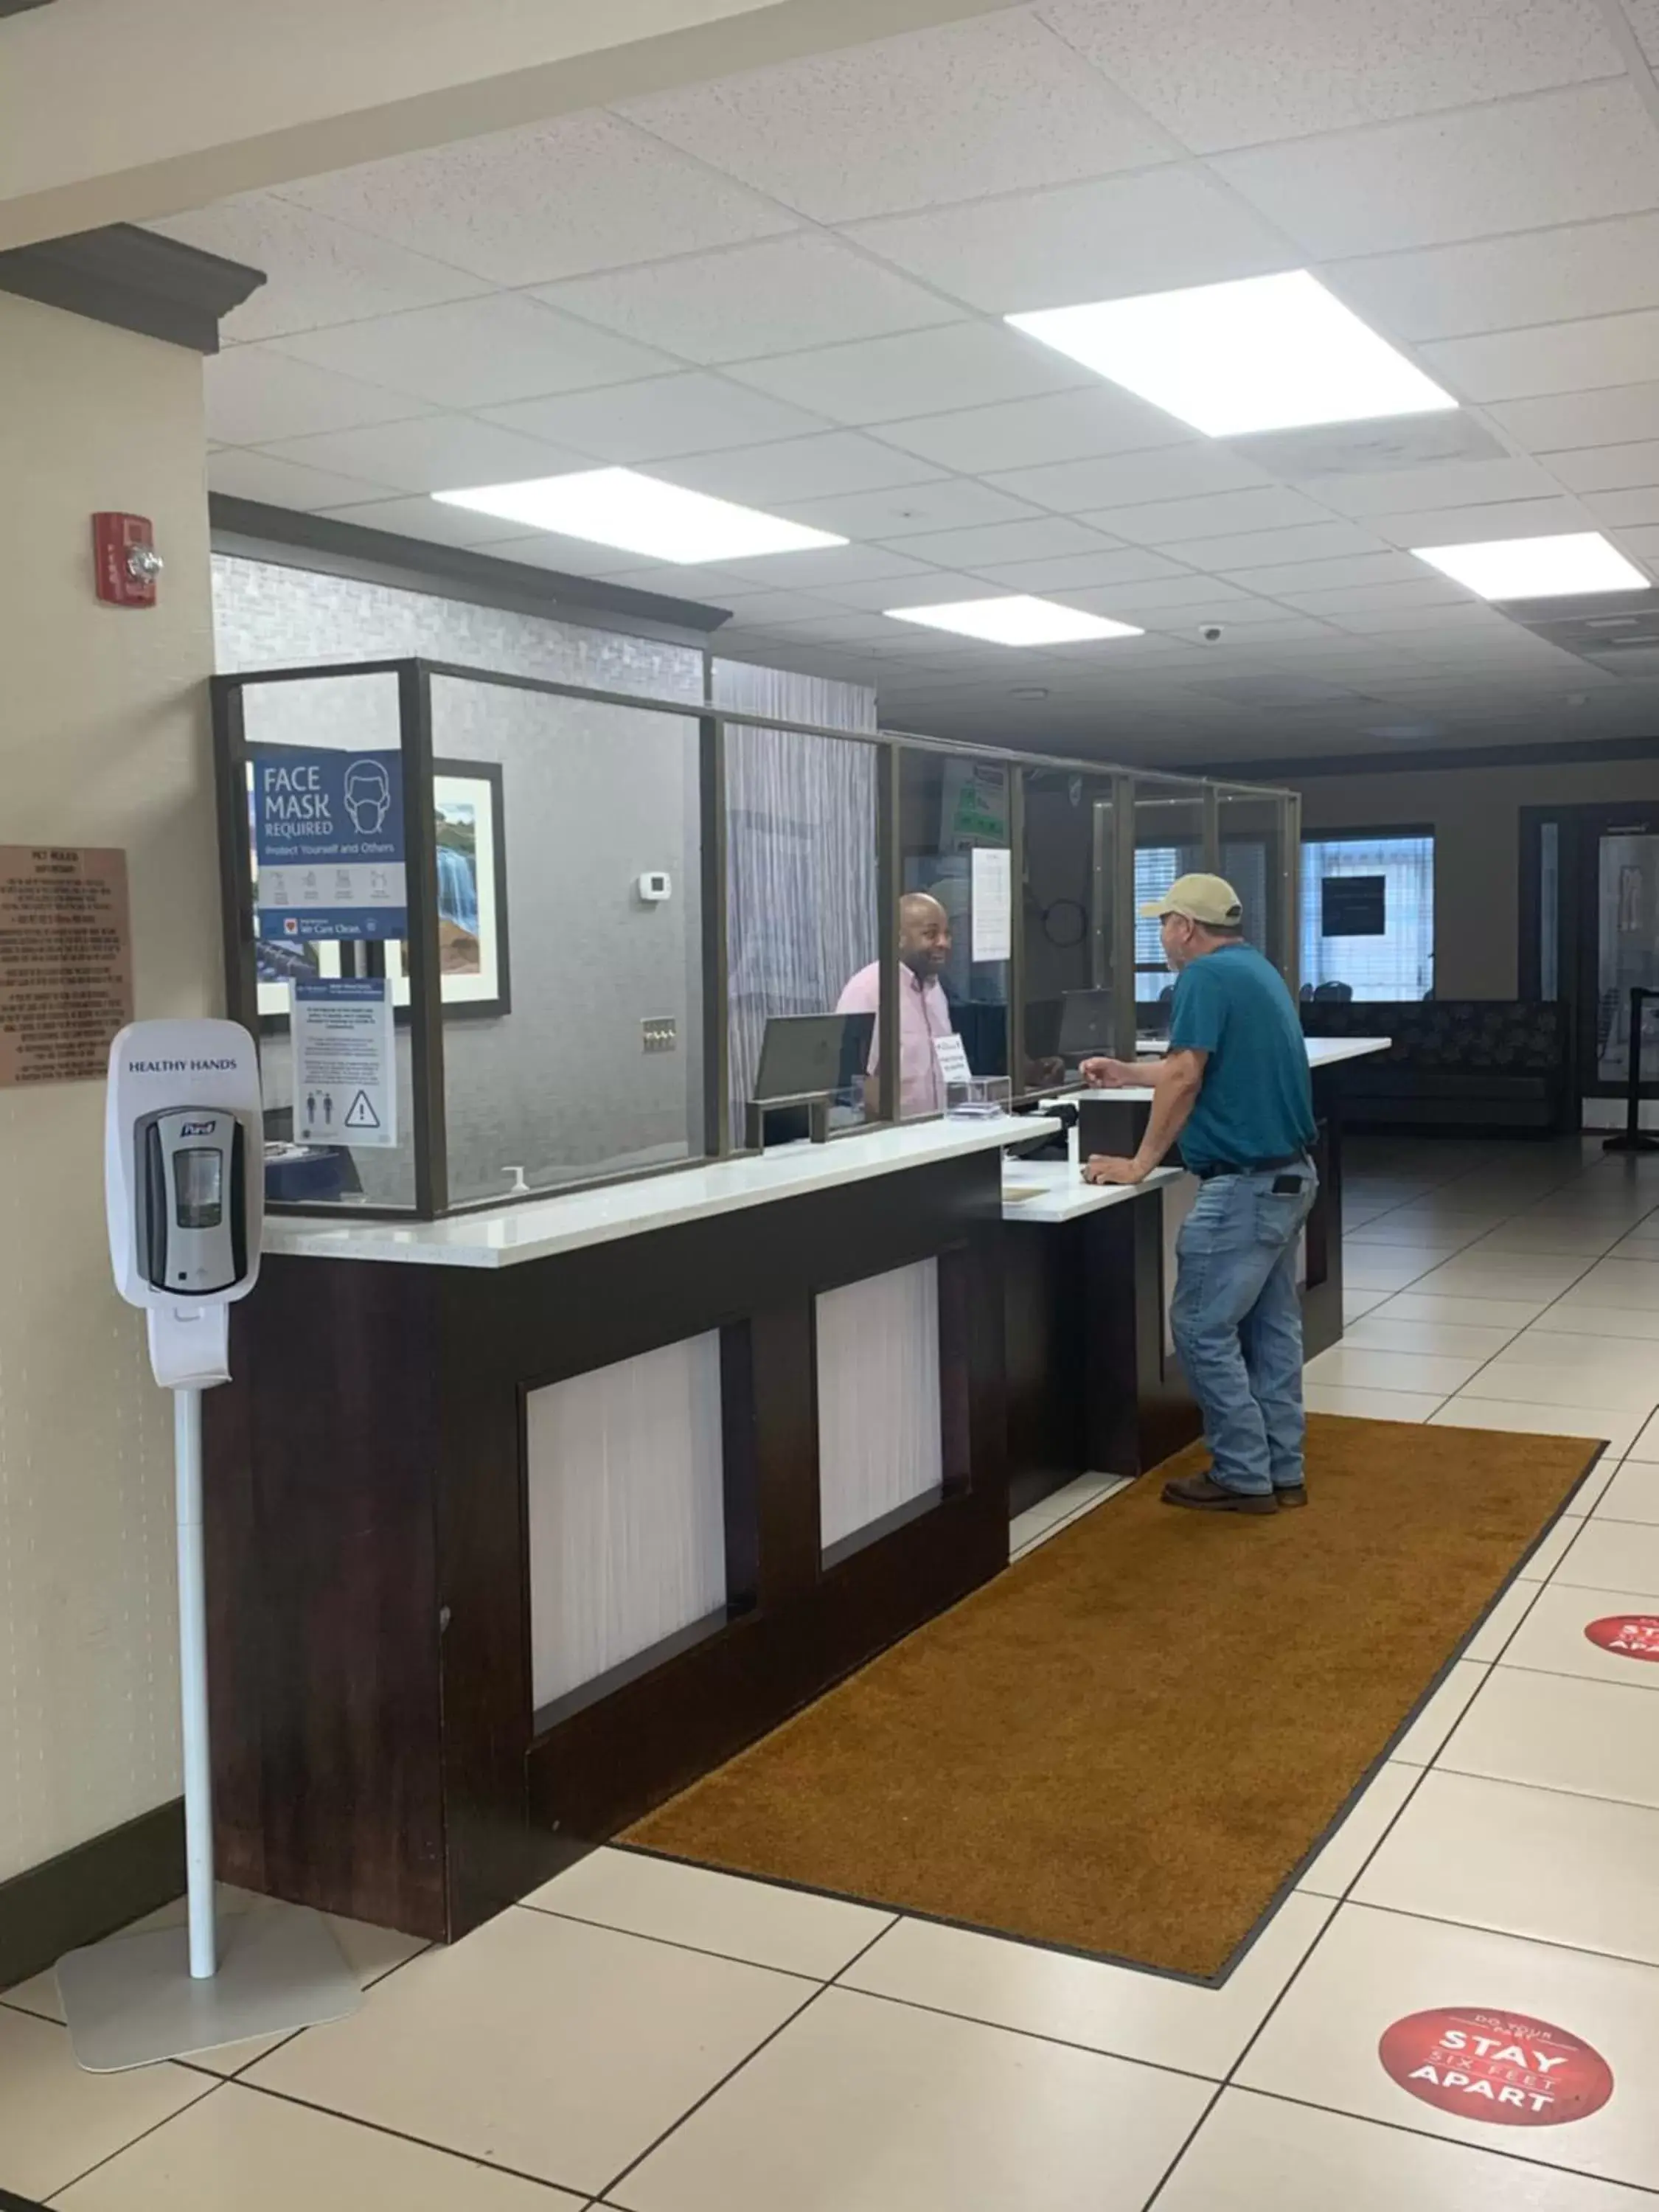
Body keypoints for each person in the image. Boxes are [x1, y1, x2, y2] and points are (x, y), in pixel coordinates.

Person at [1079, 874, 1318, 1516]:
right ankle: (1281, 1468)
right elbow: (1195, 1063)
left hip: (1244, 1185)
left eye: (1163, 923)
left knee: (1199, 1326)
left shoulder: (1201, 979)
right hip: (1289, 1175)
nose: (1161, 935)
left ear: (1185, 927)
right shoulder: (1254, 970)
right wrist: (1126, 1071)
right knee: (1271, 1329)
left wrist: (1140, 1162)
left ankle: (1242, 1472)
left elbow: (1187, 1074)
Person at [836, 892, 956, 1119]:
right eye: (930, 934)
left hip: (941, 1134)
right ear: (899, 938)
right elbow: (858, 1084)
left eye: (946, 934)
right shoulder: (870, 990)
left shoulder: (936, 989)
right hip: (896, 1140)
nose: (943, 943)